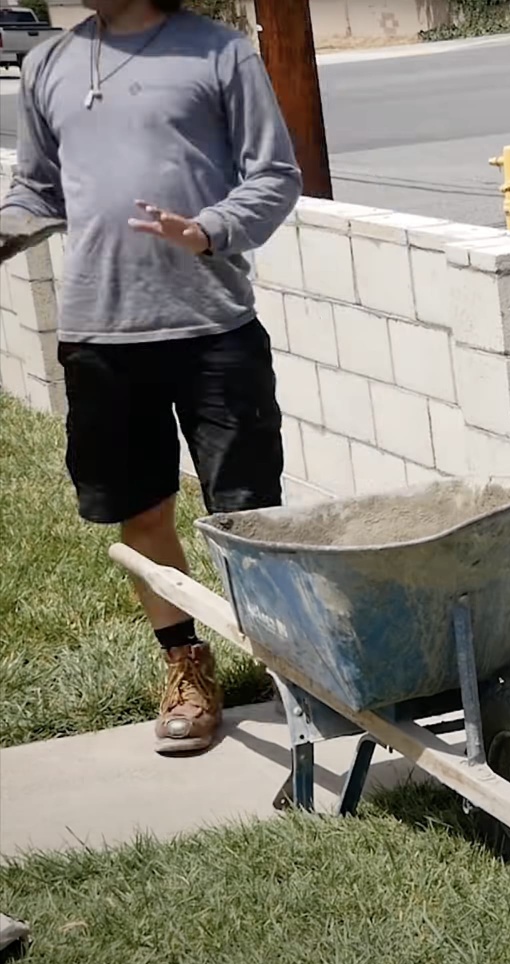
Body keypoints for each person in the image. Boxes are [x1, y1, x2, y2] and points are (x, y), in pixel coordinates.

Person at [1, 0, 301, 755]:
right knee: (141, 514)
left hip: (214, 328)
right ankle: (187, 667)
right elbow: (38, 190)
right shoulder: (47, 64)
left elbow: (274, 175)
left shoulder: (220, 53)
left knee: (249, 517)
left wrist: (208, 231)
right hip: (101, 335)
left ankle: (292, 665)